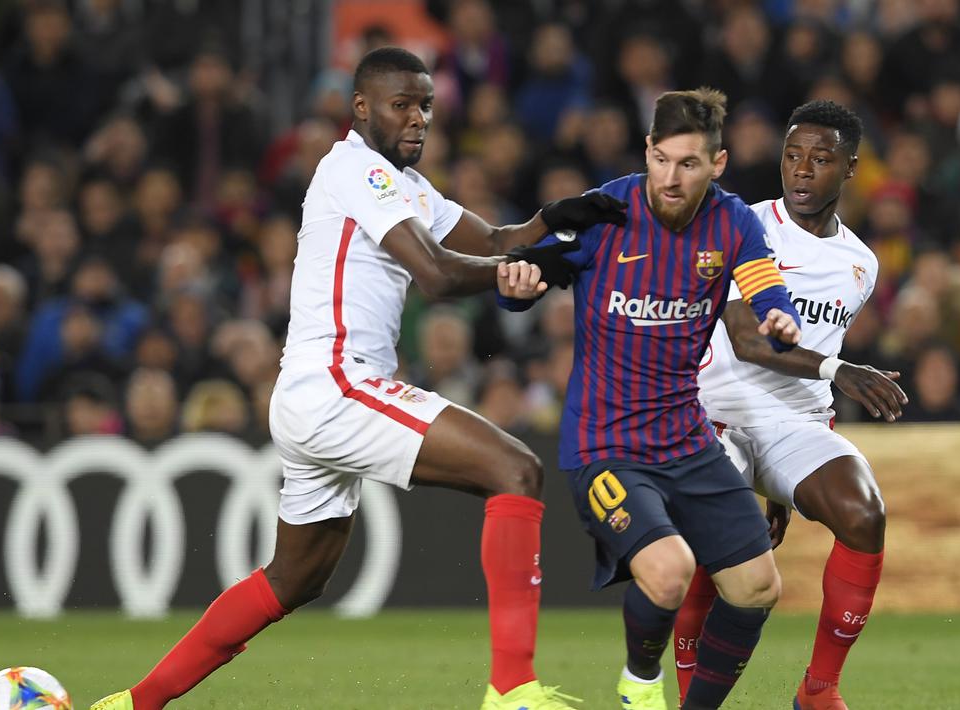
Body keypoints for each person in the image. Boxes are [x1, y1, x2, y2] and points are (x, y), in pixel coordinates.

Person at [91, 47, 626, 710]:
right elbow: (436, 274)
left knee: (294, 580)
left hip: (313, 393)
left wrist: (554, 221)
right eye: (402, 104)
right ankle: (513, 690)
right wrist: (521, 271)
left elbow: (493, 239)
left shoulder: (406, 185)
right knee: (514, 470)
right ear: (361, 108)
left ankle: (132, 703)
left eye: (426, 104)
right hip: (336, 385)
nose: (418, 118)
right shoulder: (355, 169)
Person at [499, 88, 802, 710]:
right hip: (604, 446)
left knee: (757, 586)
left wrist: (780, 319)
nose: (670, 177)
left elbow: (766, 290)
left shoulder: (734, 223)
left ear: (716, 164)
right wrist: (520, 281)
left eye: (688, 164)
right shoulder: (605, 210)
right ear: (647, 151)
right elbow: (521, 276)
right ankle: (640, 682)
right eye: (661, 159)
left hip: (687, 442)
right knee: (669, 572)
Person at [670, 100, 909, 710]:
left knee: (864, 513)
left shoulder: (861, 264)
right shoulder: (739, 225)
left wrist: (777, 490)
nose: (802, 171)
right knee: (715, 538)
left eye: (820, 159)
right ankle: (694, 697)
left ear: (850, 168)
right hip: (713, 412)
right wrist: (841, 371)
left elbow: (815, 356)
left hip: (794, 422)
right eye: (793, 156)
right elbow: (749, 342)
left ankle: (819, 689)